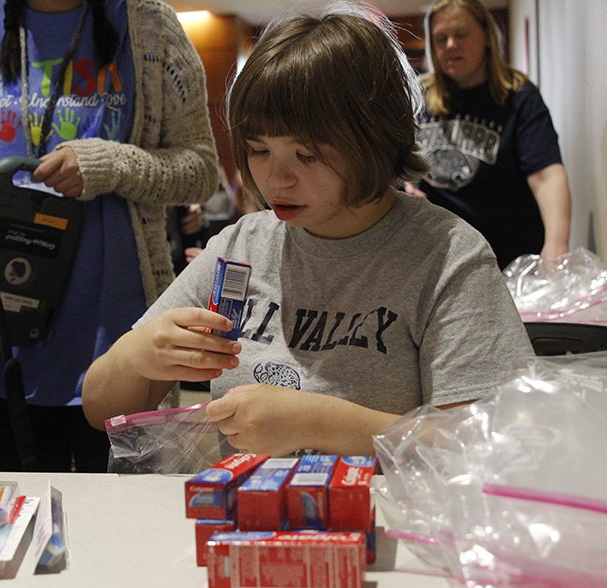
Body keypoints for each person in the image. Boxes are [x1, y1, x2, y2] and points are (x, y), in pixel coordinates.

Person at [81, 4, 534, 458]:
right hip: (242, 517)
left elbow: (490, 442)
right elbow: (100, 408)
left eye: (309, 156)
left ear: (374, 139)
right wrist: (137, 356)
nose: (275, 180)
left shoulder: (447, 255)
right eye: (258, 150)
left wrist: (318, 423)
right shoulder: (240, 247)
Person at [0, 0, 218, 472]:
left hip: (122, 356)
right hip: (3, 353)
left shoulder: (150, 28)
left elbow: (201, 170)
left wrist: (110, 164)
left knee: (121, 534)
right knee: (16, 530)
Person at [408, 0, 571, 270]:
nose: (450, 45)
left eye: (461, 34)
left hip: (508, 257)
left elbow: (546, 175)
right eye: (441, 38)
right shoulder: (419, 97)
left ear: (486, 36)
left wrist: (556, 244)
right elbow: (399, 162)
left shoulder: (518, 96)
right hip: (440, 255)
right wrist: (409, 185)